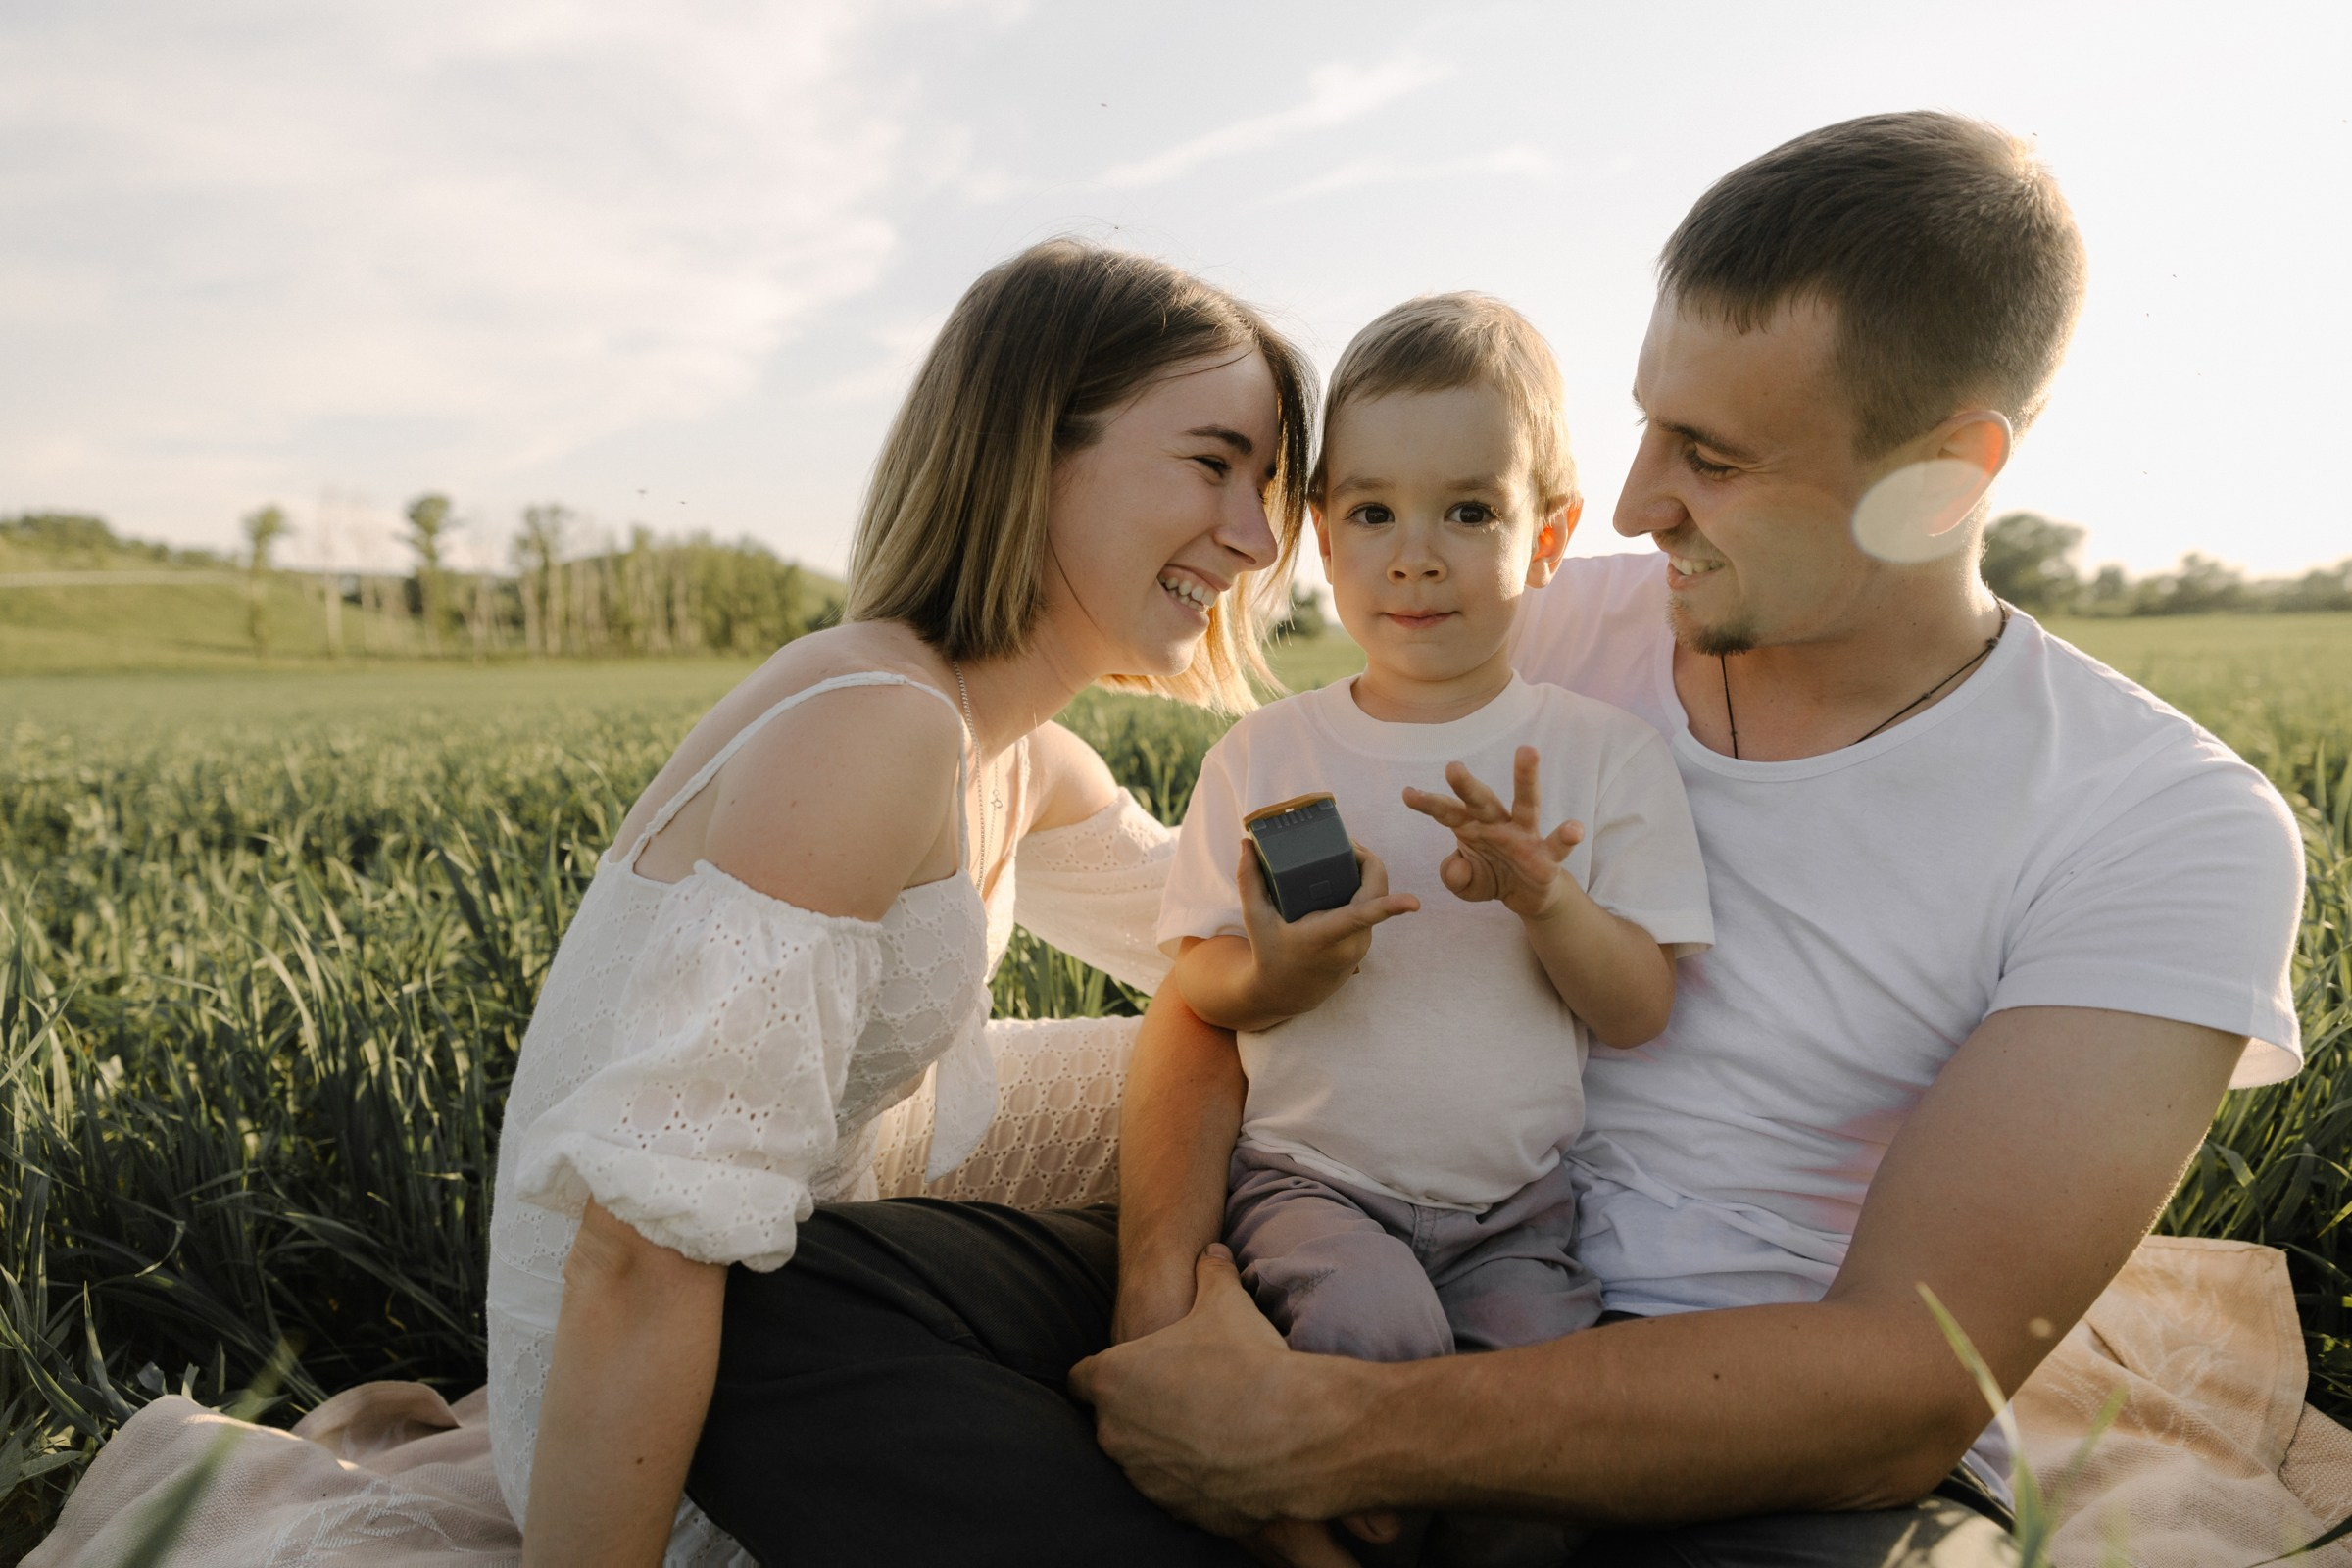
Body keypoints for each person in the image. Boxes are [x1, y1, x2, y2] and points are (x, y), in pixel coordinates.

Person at [701, 112, 2306, 1568]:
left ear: (1944, 481)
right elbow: (1218, 992)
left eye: (1715, 457)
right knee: (789, 1319)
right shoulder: (1531, 629)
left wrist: (1320, 1436)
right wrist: (1170, 1317)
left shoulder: (2162, 829)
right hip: (1332, 1251)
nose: (1629, 499)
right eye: (1645, 424)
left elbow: (1903, 1386)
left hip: (1721, 1439)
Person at [484, 237, 1318, 1568]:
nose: (1258, 536)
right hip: (694, 1410)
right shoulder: (872, 727)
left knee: (1273, 1081)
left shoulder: (1013, 749)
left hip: (826, 1249)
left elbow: (1209, 935)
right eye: (1215, 465)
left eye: (1268, 484)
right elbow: (641, 1251)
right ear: (1035, 447)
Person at [1160, 293, 1712, 1389]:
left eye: (1468, 512)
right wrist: (1276, 971)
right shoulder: (1264, 758)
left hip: (1517, 1209)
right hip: (1311, 1182)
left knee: (1534, 1424)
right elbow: (1197, 983)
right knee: (1374, 1337)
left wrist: (1545, 898)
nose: (1413, 558)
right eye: (1373, 514)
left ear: (1547, 537)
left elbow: (1639, 1010)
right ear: (1321, 533)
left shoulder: (1603, 756)